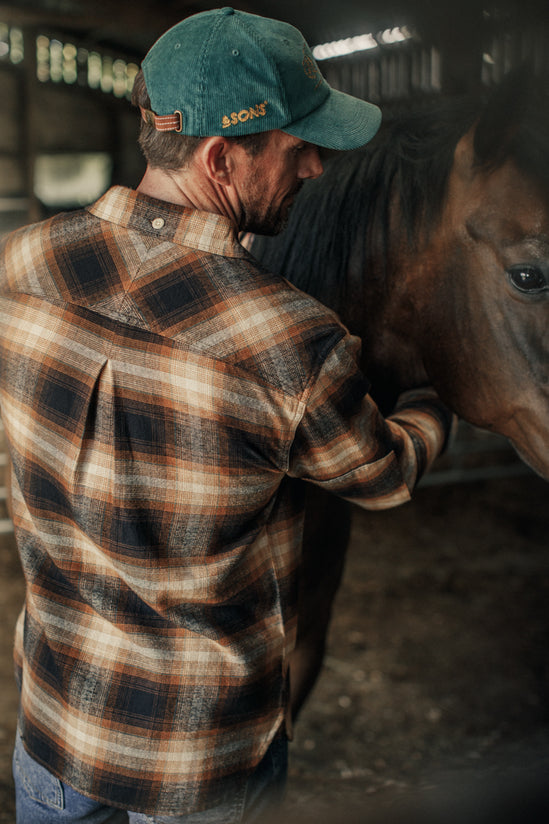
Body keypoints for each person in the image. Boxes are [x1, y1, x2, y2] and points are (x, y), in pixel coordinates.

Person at [0, 7, 453, 823]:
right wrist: (429, 387)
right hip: (199, 766)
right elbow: (384, 473)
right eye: (296, 146)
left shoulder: (22, 263)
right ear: (220, 156)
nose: (316, 167)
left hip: (55, 733)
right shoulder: (289, 339)